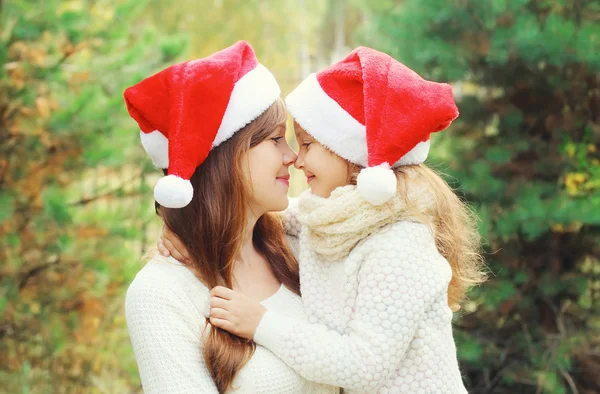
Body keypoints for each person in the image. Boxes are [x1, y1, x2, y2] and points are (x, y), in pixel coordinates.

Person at [202, 47, 487, 393]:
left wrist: (261, 324)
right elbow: (266, 218)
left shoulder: (400, 242)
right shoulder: (333, 220)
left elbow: (363, 364)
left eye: (307, 145)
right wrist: (185, 232)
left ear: (351, 152)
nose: (297, 160)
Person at [123, 41, 337, 394]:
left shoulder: (302, 242)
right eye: (274, 140)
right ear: (226, 157)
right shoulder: (161, 293)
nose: (292, 157)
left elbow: (391, 218)